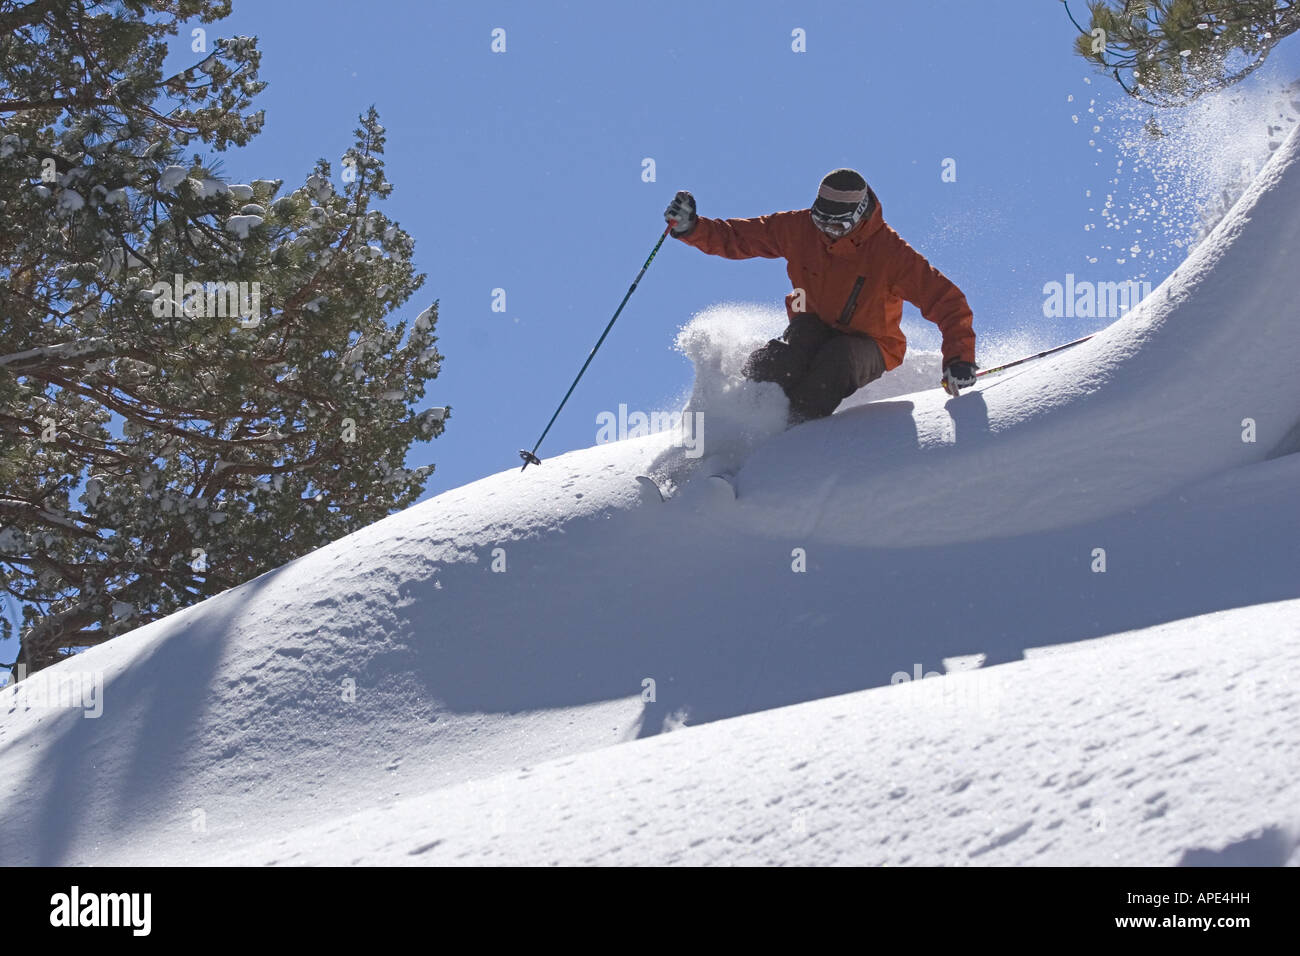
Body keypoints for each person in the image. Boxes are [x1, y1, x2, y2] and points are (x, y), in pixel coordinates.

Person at [664, 168, 978, 423]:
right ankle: (734, 425)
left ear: (859, 217)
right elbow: (738, 238)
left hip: (870, 344)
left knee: (834, 362)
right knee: (782, 360)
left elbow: (948, 302)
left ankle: (789, 442)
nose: (828, 230)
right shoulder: (799, 228)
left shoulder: (890, 253)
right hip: (811, 324)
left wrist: (959, 359)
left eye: (839, 225)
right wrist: (692, 228)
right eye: (821, 220)